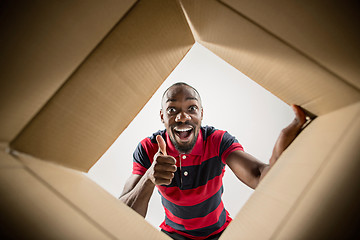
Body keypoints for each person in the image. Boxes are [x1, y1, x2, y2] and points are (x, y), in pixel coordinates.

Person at [119, 82, 307, 240]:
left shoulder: (218, 141)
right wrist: (149, 176)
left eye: (191, 108)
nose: (182, 116)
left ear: (201, 113)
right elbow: (121, 215)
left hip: (222, 232)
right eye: (172, 109)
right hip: (173, 235)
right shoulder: (147, 148)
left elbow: (258, 176)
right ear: (162, 116)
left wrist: (278, 158)